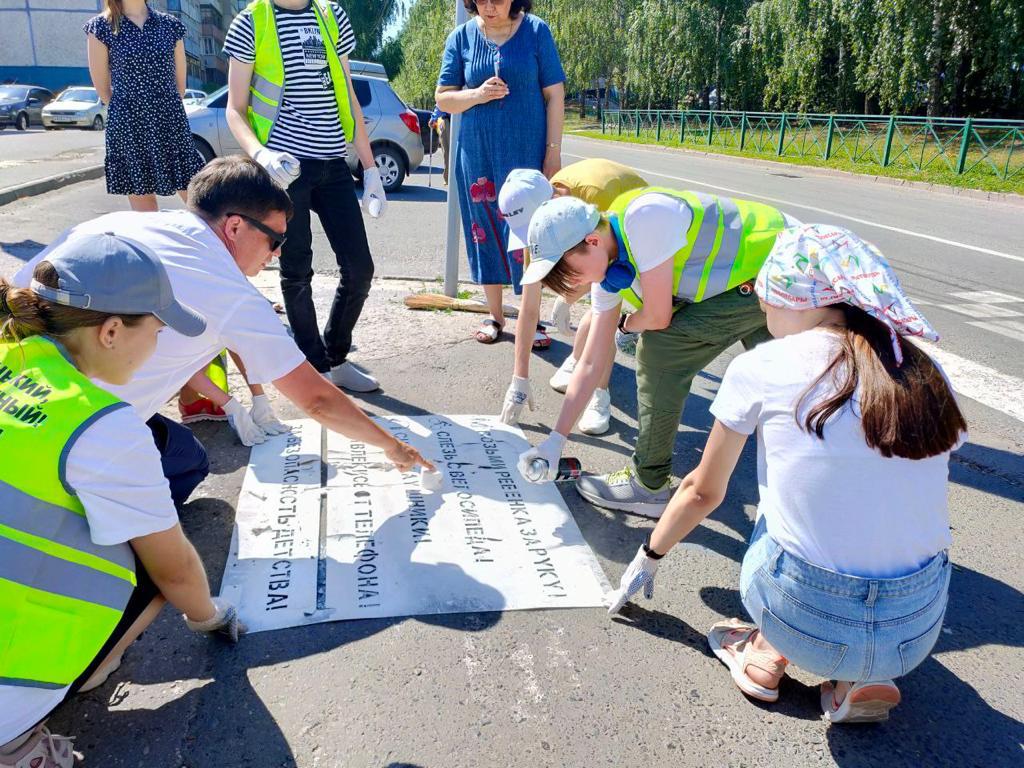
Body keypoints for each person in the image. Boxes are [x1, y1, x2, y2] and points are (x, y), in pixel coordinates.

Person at [605, 225, 965, 723]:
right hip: (915, 627)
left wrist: (648, 557)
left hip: (806, 617)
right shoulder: (920, 369)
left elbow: (703, 492)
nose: (764, 313)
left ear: (800, 300)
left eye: (768, 301)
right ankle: (860, 676)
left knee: (775, 503)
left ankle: (766, 653)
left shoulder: (766, 364)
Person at [15, 157, 432, 507]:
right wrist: (393, 446)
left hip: (17, 392)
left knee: (185, 452)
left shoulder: (120, 221)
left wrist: (244, 401)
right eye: (274, 240)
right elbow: (318, 399)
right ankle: (88, 519)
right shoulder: (228, 289)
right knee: (184, 466)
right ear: (234, 227)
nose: (278, 253)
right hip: (67, 442)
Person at [0, 236, 243, 766]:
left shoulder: (9, 353)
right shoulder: (97, 422)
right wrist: (212, 617)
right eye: (156, 331)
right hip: (8, 680)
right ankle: (28, 733)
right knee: (153, 543)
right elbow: (173, 567)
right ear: (111, 332)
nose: (158, 346)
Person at [516, 188, 800, 517]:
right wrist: (555, 440)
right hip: (764, 274)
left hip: (782, 266)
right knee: (791, 377)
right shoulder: (608, 270)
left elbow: (658, 316)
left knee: (660, 348)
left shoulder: (645, 218)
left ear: (592, 242)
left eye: (571, 274)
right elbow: (590, 361)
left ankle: (648, 485)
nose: (571, 286)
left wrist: (626, 326)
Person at [223, 0, 386, 393]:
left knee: (360, 267)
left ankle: (335, 355)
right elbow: (235, 109)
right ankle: (315, 367)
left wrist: (371, 168)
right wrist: (260, 154)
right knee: (297, 272)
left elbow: (348, 95)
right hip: (285, 164)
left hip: (333, 163)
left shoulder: (331, 16)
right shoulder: (252, 21)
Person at [436, 0, 565, 344]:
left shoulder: (536, 31)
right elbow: (444, 98)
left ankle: (532, 319)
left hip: (527, 152)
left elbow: (555, 95)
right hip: (476, 154)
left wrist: (553, 152)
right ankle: (495, 316)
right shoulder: (460, 37)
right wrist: (477, 94)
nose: (490, 6)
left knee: (529, 234)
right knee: (483, 230)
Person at [498, 159, 648, 435]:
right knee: (590, 291)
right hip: (594, 253)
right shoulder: (541, 228)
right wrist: (519, 380)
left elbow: (605, 291)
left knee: (603, 307)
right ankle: (577, 358)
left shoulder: (596, 200)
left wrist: (572, 296)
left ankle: (600, 395)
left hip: (631, 230)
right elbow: (529, 308)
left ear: (552, 201)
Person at [85, 0, 205, 212]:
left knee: (199, 199)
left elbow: (180, 86)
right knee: (145, 209)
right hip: (129, 122)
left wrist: (160, 108)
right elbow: (104, 91)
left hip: (169, 119)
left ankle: (216, 244)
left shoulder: (170, 25)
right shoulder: (101, 27)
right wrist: (134, 108)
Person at [429, 104, 451, 185]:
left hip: (449, 120)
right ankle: (449, 179)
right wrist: (434, 118)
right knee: (448, 153)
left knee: (448, 153)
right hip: (447, 120)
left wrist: (434, 118)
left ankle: (449, 179)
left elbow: (441, 103)